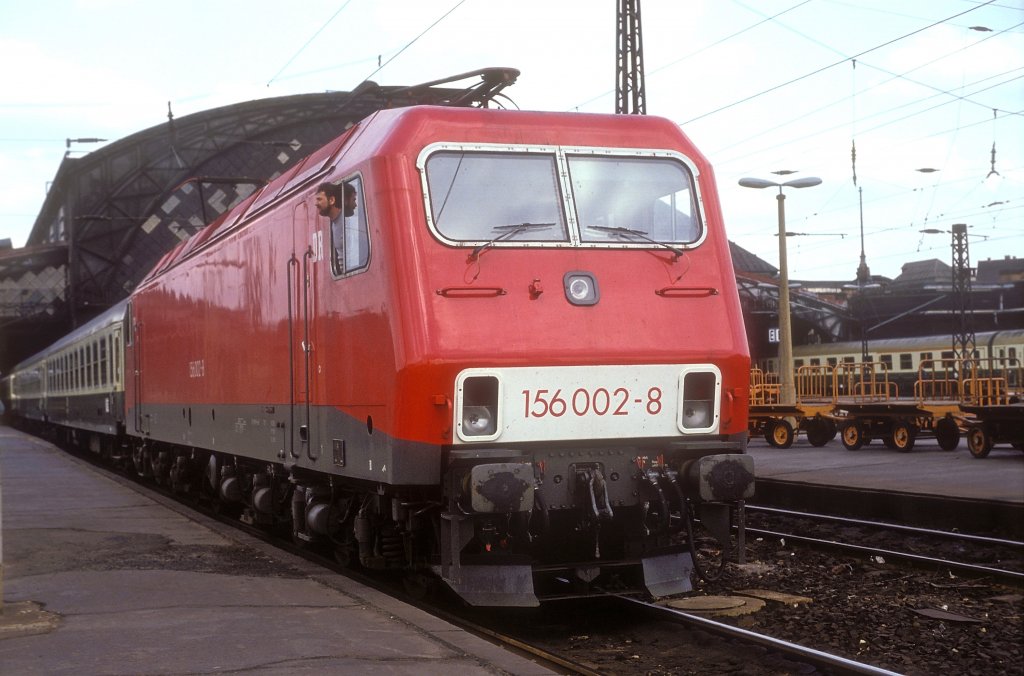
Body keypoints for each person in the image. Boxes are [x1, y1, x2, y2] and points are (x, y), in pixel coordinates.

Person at [315, 182, 357, 273]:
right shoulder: (334, 223)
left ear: (331, 200)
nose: (316, 204)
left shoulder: (347, 222)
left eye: (319, 199)